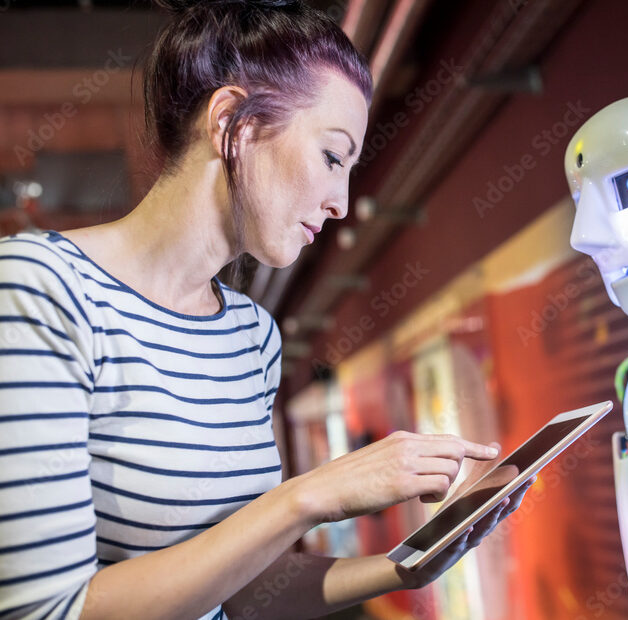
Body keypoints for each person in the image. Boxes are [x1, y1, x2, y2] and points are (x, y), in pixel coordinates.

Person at [0, 2, 532, 618]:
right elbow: (45, 612)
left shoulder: (252, 337)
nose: (340, 203)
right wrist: (309, 498)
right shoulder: (42, 288)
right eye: (334, 157)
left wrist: (403, 568)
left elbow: (243, 589)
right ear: (232, 124)